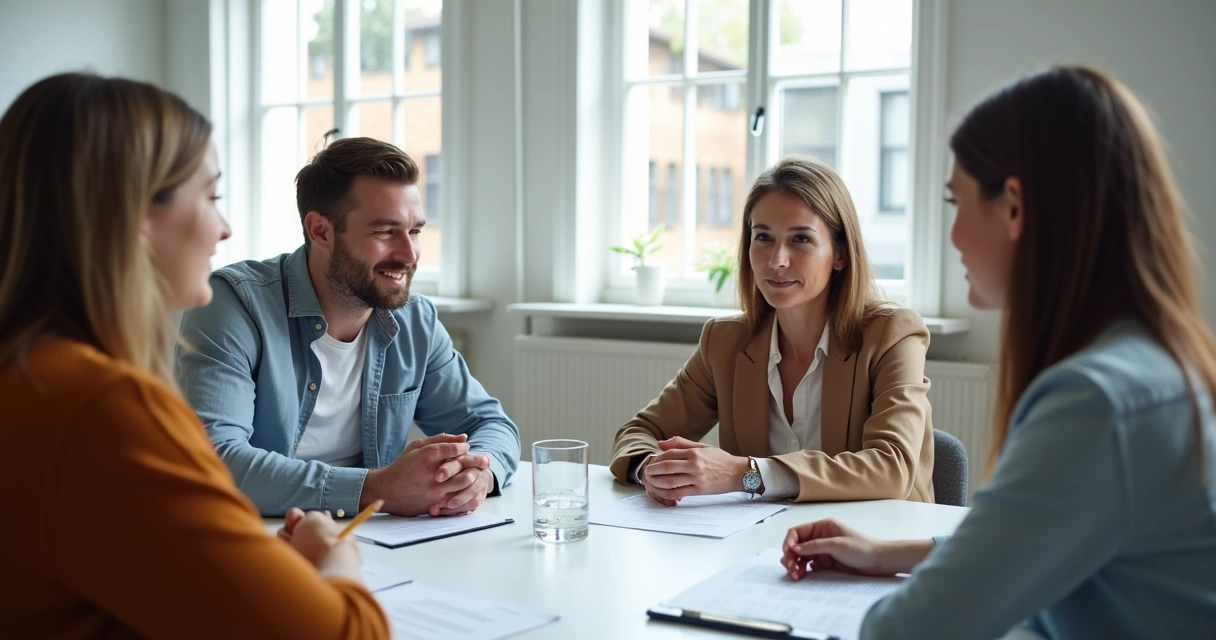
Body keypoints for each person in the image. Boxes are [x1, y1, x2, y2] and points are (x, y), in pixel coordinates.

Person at [781, 66, 1216, 639]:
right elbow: (1045, 534)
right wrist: (891, 553)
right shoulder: (1155, 366)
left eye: (955, 201)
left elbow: (907, 632)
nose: (955, 234)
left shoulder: (1094, 404)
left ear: (1014, 206)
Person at [0, 73, 388, 638]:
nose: (225, 229)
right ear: (132, 215)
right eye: (210, 197)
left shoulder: (28, 378)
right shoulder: (107, 410)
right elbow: (349, 633)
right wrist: (334, 558)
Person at [176, 137, 520, 517]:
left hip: (374, 540)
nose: (409, 255)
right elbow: (216, 459)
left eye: (416, 231)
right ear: (321, 231)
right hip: (258, 536)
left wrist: (477, 477)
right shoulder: (233, 305)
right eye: (385, 232)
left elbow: (488, 423)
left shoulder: (415, 320)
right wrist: (375, 489)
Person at [611, 156, 935, 504]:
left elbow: (892, 468)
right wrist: (653, 469)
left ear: (839, 253)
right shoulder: (725, 342)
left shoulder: (892, 334)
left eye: (801, 239)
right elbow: (639, 433)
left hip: (878, 544)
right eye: (763, 237)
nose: (777, 259)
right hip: (764, 543)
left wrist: (743, 473)